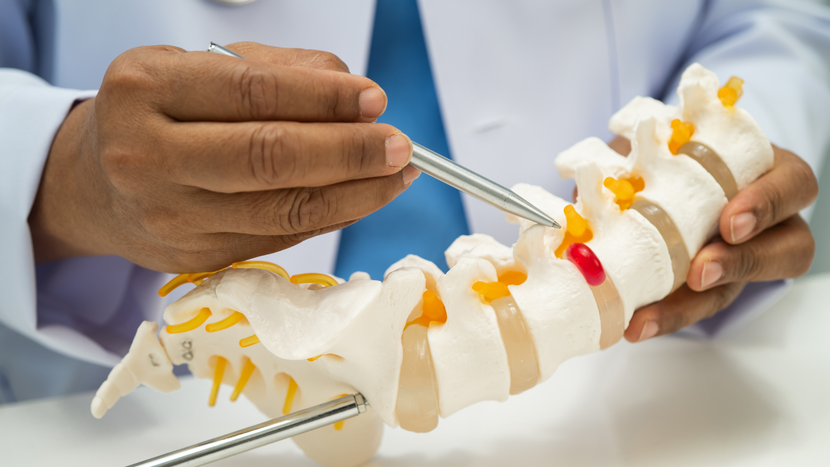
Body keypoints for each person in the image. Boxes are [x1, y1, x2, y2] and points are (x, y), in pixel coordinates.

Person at [0, 0, 826, 404]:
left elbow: (780, 18)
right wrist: (54, 169)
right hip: (133, 391)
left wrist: (720, 166)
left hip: (640, 395)